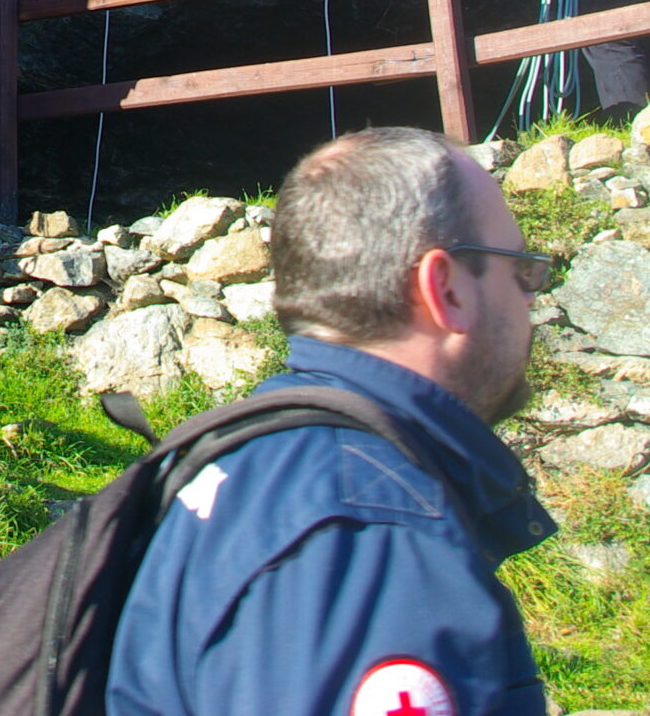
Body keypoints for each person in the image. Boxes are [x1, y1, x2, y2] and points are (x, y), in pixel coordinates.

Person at [108, 129, 555, 716]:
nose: (531, 300)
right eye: (521, 270)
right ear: (445, 288)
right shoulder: (372, 535)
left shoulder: (248, 452)